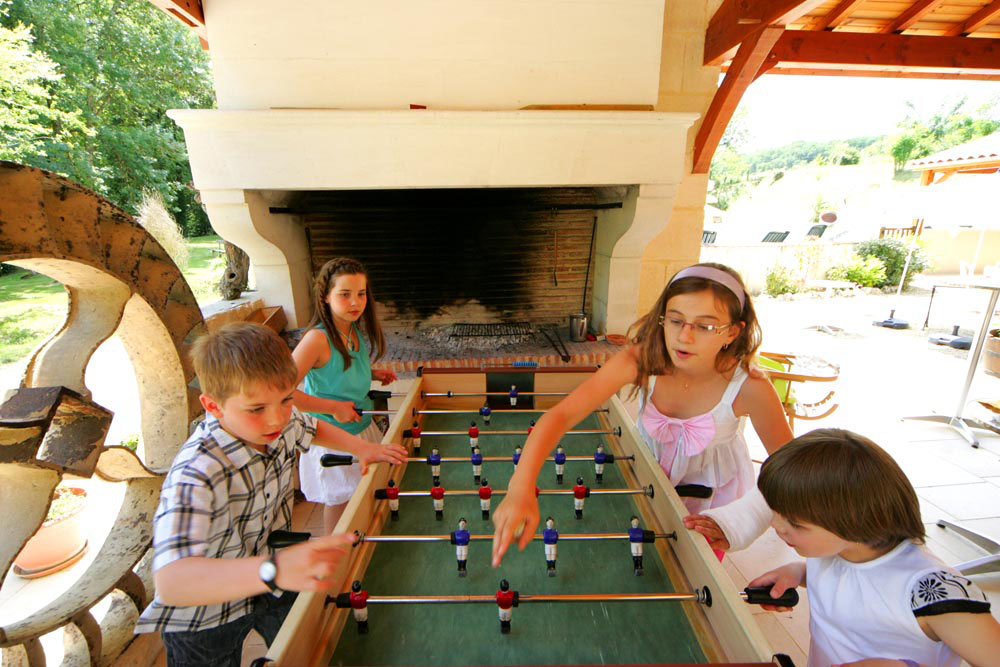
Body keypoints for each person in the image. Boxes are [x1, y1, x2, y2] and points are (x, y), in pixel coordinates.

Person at [135, 322, 407, 666]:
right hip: (204, 616)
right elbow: (173, 582)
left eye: (287, 399)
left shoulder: (281, 420)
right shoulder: (196, 473)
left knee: (307, 645)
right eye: (256, 409)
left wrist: (360, 448)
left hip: (273, 573)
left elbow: (311, 426)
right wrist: (273, 570)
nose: (276, 419)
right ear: (213, 406)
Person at [492, 262, 791, 566]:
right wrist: (520, 486)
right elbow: (562, 415)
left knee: (692, 571)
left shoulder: (750, 388)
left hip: (714, 509)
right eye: (675, 320)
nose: (684, 336)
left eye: (704, 326)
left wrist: (739, 523)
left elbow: (794, 472)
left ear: (733, 332)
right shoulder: (641, 361)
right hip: (647, 482)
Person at [749, 429, 999, 667]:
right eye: (775, 512)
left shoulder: (934, 593)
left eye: (795, 523)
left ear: (853, 520)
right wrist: (799, 572)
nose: (776, 526)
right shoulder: (834, 550)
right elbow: (853, 580)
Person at [293, 258, 398, 535]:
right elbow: (282, 393)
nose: (355, 302)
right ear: (326, 297)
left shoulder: (352, 329)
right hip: (332, 438)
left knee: (364, 497)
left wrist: (372, 373)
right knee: (341, 505)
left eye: (361, 294)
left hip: (362, 428)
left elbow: (337, 370)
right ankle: (335, 555)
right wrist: (332, 407)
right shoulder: (316, 339)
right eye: (344, 294)